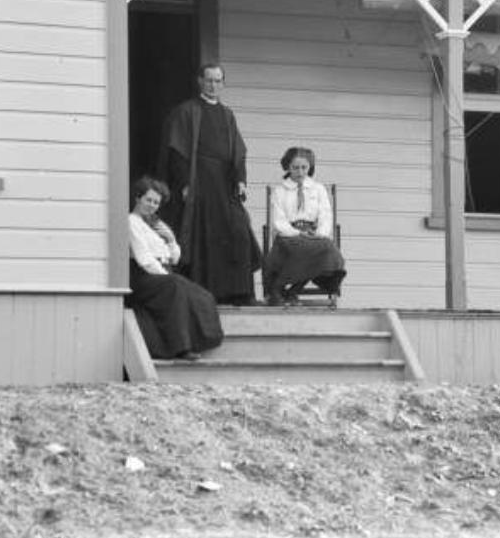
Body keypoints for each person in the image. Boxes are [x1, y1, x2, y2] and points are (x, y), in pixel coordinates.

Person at [157, 64, 262, 305]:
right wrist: (184, 183)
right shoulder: (186, 111)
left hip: (225, 184)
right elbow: (177, 150)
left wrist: (241, 180)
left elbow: (238, 151)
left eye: (218, 81)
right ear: (200, 81)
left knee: (239, 233)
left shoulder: (227, 114)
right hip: (199, 181)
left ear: (223, 84)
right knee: (201, 236)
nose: (213, 85)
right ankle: (204, 295)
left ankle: (238, 293)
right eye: (209, 80)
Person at [127, 176, 224, 360]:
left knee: (202, 295)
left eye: (156, 202)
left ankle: (202, 340)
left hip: (162, 274)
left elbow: (175, 258)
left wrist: (171, 239)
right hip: (142, 276)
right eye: (148, 200)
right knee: (176, 286)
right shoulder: (132, 222)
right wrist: (167, 276)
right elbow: (144, 259)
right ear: (137, 198)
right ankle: (181, 348)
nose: (152, 205)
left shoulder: (156, 224)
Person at [264, 146, 347, 306]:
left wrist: (320, 233)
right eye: (295, 167)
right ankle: (280, 289)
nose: (300, 172)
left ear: (310, 168)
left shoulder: (318, 189)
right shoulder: (280, 190)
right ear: (288, 167)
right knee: (305, 249)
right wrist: (295, 232)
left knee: (327, 248)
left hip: (313, 233)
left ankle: (291, 290)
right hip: (288, 235)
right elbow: (278, 219)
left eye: (304, 167)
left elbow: (325, 214)